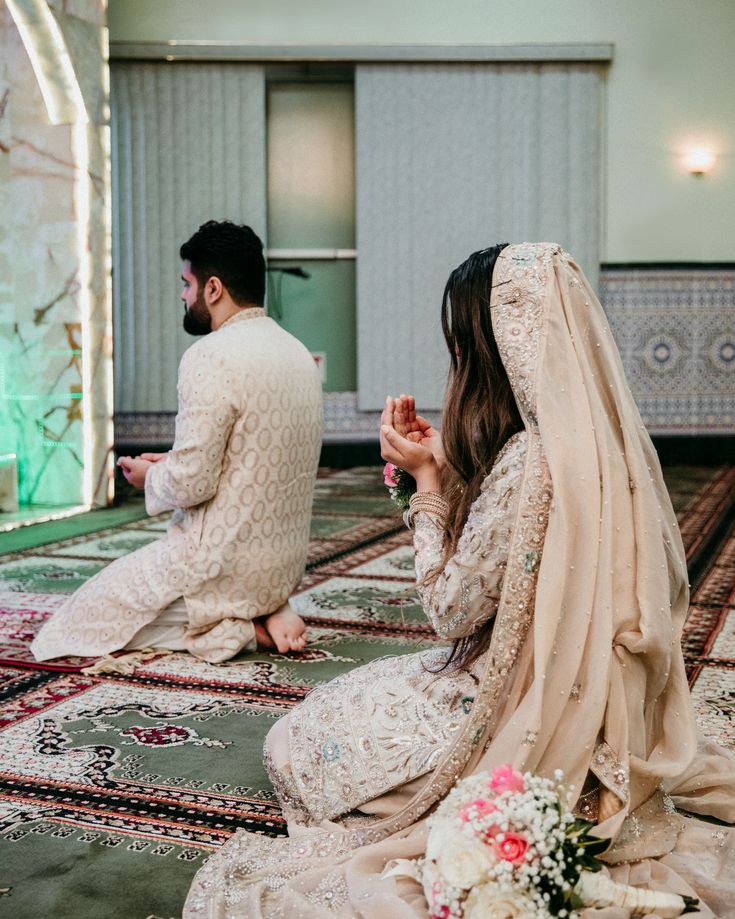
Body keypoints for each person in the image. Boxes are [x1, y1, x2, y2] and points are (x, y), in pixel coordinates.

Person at [184, 243, 735, 917]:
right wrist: (445, 467)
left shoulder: (526, 461)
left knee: (293, 743)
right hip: (598, 706)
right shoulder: (601, 441)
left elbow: (450, 609)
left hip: (515, 707)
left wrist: (426, 489)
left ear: (489, 348)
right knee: (349, 701)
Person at [31, 220, 323, 665]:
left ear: (213, 289)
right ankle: (264, 604)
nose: (182, 296)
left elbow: (190, 485)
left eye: (186, 284)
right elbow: (249, 455)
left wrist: (151, 474)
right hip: (281, 566)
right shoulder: (298, 354)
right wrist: (171, 460)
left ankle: (243, 627)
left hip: (218, 565)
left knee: (76, 624)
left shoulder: (209, 356)